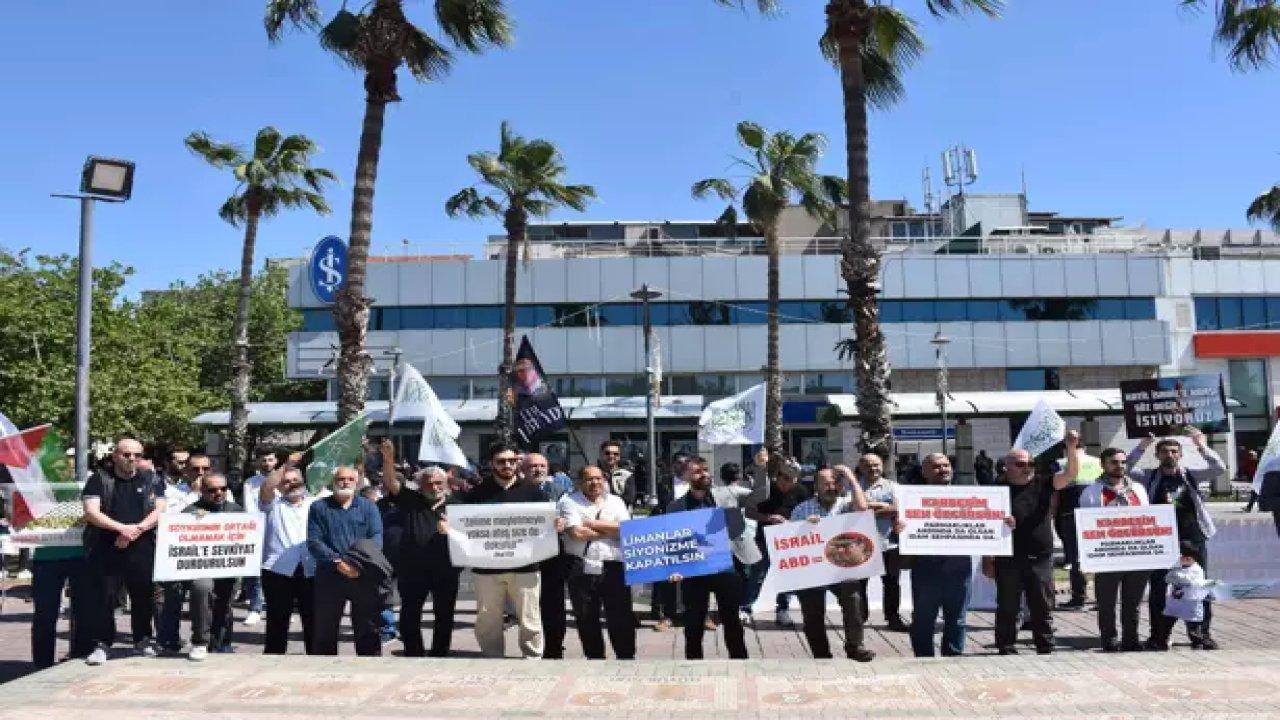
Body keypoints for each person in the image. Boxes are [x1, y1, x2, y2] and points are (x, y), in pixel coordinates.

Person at [452, 442, 562, 658]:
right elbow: (462, 525)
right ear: (491, 463)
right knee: (487, 619)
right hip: (487, 569)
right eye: (501, 461)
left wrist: (556, 525)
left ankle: (532, 658)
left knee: (530, 617)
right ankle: (493, 658)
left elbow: (547, 525)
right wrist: (450, 526)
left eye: (512, 461)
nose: (507, 465)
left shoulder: (535, 494)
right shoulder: (476, 495)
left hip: (526, 568)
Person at [1126, 429, 1223, 650]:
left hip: (1192, 538)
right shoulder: (1149, 476)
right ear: (1158, 455)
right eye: (1165, 451)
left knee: (1197, 586)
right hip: (1161, 541)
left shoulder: (1191, 475)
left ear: (1180, 455)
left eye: (1174, 451)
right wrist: (1142, 446)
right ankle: (1159, 635)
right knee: (1160, 588)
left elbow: (1219, 469)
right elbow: (1127, 469)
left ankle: (1200, 634)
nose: (1170, 455)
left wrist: (1201, 445)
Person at [665, 453, 768, 660]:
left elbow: (760, 495)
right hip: (695, 571)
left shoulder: (728, 493)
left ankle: (740, 663)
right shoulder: (675, 506)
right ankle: (694, 666)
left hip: (727, 567)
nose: (704, 474)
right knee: (693, 624)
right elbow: (673, 541)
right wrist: (674, 567)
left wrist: (760, 468)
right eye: (697, 471)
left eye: (705, 470)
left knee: (731, 621)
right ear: (685, 477)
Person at [988, 431, 1079, 655]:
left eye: (1030, 462)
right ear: (1006, 466)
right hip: (1008, 556)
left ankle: (1045, 645)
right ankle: (1006, 645)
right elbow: (984, 523)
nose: (1027, 466)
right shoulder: (996, 488)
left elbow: (1070, 474)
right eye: (1020, 463)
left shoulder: (1045, 482)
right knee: (1008, 605)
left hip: (1040, 556)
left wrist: (1071, 447)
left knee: (1042, 604)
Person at [81, 438, 168, 665]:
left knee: (143, 596)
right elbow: (91, 512)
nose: (132, 459)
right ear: (115, 455)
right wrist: (122, 529)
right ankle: (102, 644)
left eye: (137, 455)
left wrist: (136, 530)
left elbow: (160, 509)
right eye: (126, 454)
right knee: (105, 597)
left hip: (142, 546)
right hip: (106, 547)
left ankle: (142, 640)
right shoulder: (99, 479)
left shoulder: (151, 478)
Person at [379, 441, 459, 657]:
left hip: (446, 570)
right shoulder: (411, 500)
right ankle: (414, 653)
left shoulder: (458, 505)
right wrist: (388, 459)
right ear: (421, 485)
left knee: (444, 615)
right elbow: (390, 482)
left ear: (446, 483)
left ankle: (440, 654)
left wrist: (451, 531)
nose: (434, 487)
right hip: (413, 570)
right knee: (409, 616)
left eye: (439, 483)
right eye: (429, 483)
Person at [789, 466, 875, 661]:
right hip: (812, 568)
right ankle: (821, 655)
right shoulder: (802, 509)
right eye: (826, 483)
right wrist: (803, 527)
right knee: (812, 613)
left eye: (835, 482)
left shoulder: (846, 504)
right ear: (816, 487)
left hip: (841, 565)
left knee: (854, 601)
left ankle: (855, 646)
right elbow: (789, 541)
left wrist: (851, 478)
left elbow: (863, 509)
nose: (831, 487)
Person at [162, 473, 242, 661]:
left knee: (225, 602)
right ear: (202, 491)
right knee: (202, 588)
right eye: (213, 490)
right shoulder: (191, 511)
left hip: (229, 567)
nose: (219, 493)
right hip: (200, 569)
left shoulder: (237, 511)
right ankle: (200, 641)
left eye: (223, 489)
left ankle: (222, 642)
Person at [306, 465, 385, 656]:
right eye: (341, 479)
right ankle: (325, 673)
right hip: (330, 575)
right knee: (326, 628)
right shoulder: (319, 507)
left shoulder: (368, 507)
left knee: (368, 628)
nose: (345, 482)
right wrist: (338, 562)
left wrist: (358, 564)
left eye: (350, 479)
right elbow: (314, 541)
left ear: (357, 482)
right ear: (333, 483)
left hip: (363, 574)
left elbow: (376, 537)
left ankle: (370, 670)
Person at [899, 453, 972, 658]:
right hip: (926, 567)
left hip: (959, 567)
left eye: (947, 465)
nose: (943, 469)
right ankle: (923, 659)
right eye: (937, 466)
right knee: (923, 619)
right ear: (924, 472)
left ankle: (953, 658)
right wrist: (901, 527)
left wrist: (1002, 522)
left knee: (957, 619)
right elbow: (903, 527)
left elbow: (989, 522)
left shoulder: (968, 496)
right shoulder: (912, 498)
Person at [1078, 447, 1150, 652]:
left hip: (1136, 555)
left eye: (1123, 462)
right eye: (1114, 462)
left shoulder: (1138, 489)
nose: (1120, 466)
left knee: (1133, 603)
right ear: (1103, 465)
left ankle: (1131, 639)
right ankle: (1109, 640)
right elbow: (1087, 526)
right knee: (1107, 603)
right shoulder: (1092, 491)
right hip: (1107, 557)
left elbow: (1147, 519)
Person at [559, 465, 635, 659]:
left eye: (599, 478)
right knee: (586, 617)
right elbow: (577, 533)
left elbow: (626, 530)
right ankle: (595, 659)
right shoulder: (569, 502)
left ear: (605, 480)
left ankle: (626, 658)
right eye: (589, 479)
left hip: (614, 565)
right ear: (580, 482)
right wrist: (611, 530)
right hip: (582, 566)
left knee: (620, 616)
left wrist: (592, 524)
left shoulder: (616, 501)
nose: (595, 483)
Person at [257, 457, 317, 655]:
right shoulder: (272, 504)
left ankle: (315, 662)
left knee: (313, 621)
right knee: (277, 621)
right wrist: (285, 465)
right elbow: (267, 486)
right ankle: (273, 663)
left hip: (311, 568)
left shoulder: (316, 503)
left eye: (295, 480)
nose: (291, 484)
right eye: (286, 481)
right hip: (277, 569)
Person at [744, 452, 807, 626]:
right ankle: (746, 608)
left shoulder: (801, 491)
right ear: (778, 477)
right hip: (765, 539)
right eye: (785, 479)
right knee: (758, 574)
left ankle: (783, 609)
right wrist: (768, 518)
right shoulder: (765, 489)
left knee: (788, 575)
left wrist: (791, 522)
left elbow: (808, 513)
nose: (789, 484)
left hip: (789, 540)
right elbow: (749, 511)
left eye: (793, 480)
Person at [523, 452, 570, 659]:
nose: (538, 469)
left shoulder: (562, 491)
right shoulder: (516, 491)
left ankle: (554, 647)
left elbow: (573, 514)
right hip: (524, 557)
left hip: (553, 557)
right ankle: (533, 649)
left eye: (542, 466)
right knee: (529, 608)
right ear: (523, 470)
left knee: (553, 605)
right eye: (533, 466)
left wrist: (563, 522)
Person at [856, 453, 908, 632]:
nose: (873, 468)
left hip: (889, 543)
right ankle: (859, 619)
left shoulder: (893, 487)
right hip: (860, 544)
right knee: (860, 584)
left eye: (876, 465)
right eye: (868, 465)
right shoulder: (853, 486)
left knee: (892, 583)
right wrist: (883, 507)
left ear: (882, 466)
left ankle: (893, 618)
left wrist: (868, 508)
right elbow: (852, 507)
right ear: (861, 467)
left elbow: (900, 508)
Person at [651, 452, 691, 632]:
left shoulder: (698, 481)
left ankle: (698, 614)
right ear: (673, 465)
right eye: (678, 463)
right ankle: (668, 615)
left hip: (694, 535)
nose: (681, 466)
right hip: (669, 534)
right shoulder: (665, 483)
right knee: (669, 577)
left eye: (685, 463)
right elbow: (660, 505)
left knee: (696, 577)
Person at [237, 449, 278, 628]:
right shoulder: (250, 483)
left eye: (270, 459)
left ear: (275, 461)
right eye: (263, 460)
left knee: (276, 572)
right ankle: (255, 608)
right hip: (258, 530)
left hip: (278, 532)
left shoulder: (283, 481)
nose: (267, 463)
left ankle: (275, 609)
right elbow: (249, 508)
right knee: (255, 572)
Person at [599, 440, 636, 507]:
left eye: (615, 454)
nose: (611, 456)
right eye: (607, 453)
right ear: (601, 454)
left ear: (619, 456)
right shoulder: (593, 474)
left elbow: (630, 499)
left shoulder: (626, 475)